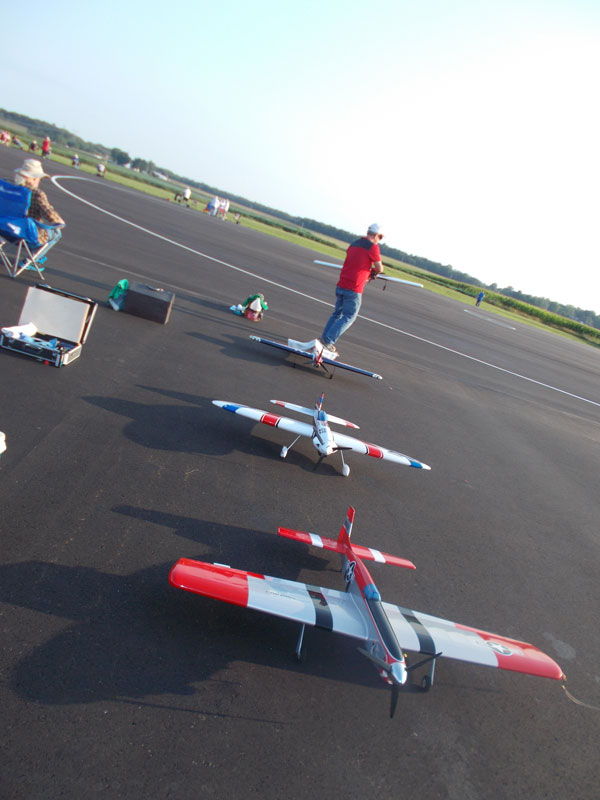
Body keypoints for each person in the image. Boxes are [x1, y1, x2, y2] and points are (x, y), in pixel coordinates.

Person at [319, 223, 385, 355]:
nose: (380, 240)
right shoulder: (373, 247)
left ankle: (324, 339)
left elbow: (357, 262)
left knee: (337, 314)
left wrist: (367, 271)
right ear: (376, 235)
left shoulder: (354, 243)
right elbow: (379, 268)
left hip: (342, 283)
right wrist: (372, 272)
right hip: (354, 288)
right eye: (380, 237)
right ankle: (328, 341)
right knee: (349, 316)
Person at [13, 158, 65, 245]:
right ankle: (34, 257)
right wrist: (59, 221)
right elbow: (48, 213)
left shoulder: (11, 189)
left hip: (9, 230)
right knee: (56, 233)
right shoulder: (36, 194)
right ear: (34, 179)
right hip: (29, 233)